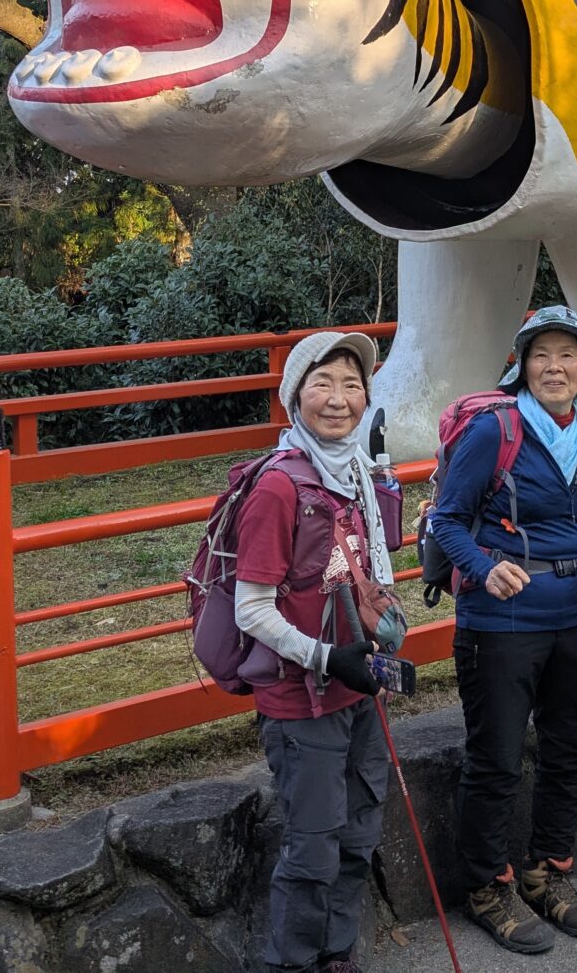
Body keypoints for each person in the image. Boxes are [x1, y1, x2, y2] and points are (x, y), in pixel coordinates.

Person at [425, 305, 577, 955]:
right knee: (495, 760)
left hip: (575, 613)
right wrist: (485, 569)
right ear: (522, 365)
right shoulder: (496, 431)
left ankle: (547, 870)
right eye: (541, 354)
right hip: (503, 621)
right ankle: (488, 887)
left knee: (572, 746)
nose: (555, 366)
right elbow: (448, 521)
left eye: (567, 355)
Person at [233, 330, 403, 973]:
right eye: (322, 383)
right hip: (302, 699)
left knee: (358, 834)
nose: (339, 399)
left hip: (359, 685)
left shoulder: (357, 471)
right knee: (312, 849)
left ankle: (338, 953)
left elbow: (362, 571)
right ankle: (293, 962)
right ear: (293, 396)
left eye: (352, 383)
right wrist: (329, 658)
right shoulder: (278, 487)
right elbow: (252, 609)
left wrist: (379, 633)